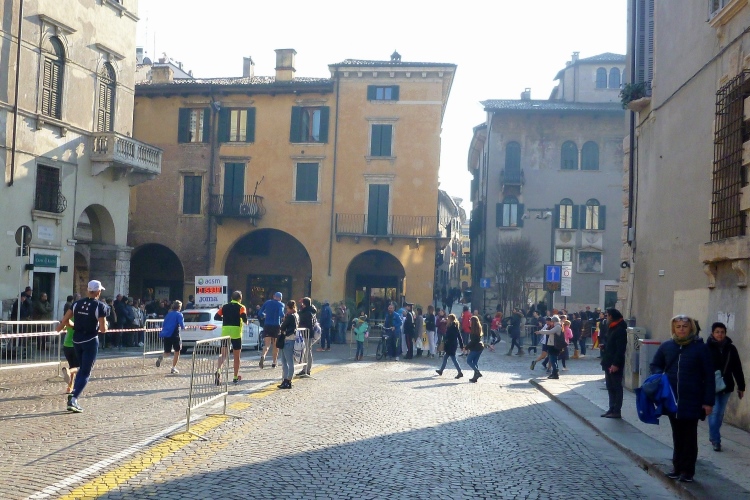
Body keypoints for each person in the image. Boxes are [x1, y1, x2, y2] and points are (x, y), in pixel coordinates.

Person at [651, 315, 714, 483]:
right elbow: (655, 364)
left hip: (692, 399)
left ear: (691, 328)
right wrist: (659, 375)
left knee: (689, 436)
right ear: (673, 328)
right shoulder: (667, 346)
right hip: (672, 398)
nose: (681, 329)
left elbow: (709, 376)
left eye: (684, 326)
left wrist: (708, 402)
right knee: (677, 435)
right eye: (678, 326)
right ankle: (677, 467)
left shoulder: (700, 348)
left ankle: (687, 470)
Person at [56, 280, 108, 413]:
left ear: (88, 290)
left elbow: (64, 321)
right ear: (98, 292)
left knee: (81, 369)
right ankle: (73, 399)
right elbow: (103, 329)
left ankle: (74, 392)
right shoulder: (100, 306)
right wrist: (105, 325)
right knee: (85, 372)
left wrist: (74, 326)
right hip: (90, 340)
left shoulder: (76, 304)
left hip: (77, 340)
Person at [707, 322, 745, 452]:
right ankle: (716, 440)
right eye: (717, 332)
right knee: (714, 412)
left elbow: (737, 368)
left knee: (720, 414)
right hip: (711, 386)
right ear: (712, 333)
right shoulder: (706, 348)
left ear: (725, 333)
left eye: (722, 332)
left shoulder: (731, 349)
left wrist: (741, 386)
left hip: (726, 386)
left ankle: (713, 435)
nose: (720, 334)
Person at [214, 291, 248, 385]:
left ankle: (218, 370)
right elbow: (244, 317)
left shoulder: (224, 307)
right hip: (236, 333)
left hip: (225, 332)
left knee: (223, 354)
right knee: (236, 356)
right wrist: (246, 322)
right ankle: (235, 377)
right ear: (240, 298)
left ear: (231, 298)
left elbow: (216, 317)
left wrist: (225, 319)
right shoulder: (241, 307)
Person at [600, 309, 627, 418]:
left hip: (614, 364)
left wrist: (616, 364)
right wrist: (604, 346)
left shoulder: (620, 329)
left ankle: (616, 410)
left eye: (607, 316)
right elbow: (611, 344)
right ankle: (611, 408)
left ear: (611, 316)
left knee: (616, 387)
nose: (606, 318)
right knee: (610, 386)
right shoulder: (612, 327)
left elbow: (620, 349)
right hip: (608, 361)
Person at [156, 300, 185, 374]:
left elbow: (164, 324)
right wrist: (185, 327)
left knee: (167, 352)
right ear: (179, 307)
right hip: (175, 335)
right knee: (177, 351)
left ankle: (162, 356)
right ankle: (173, 367)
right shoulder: (179, 314)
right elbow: (182, 325)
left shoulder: (168, 314)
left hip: (167, 334)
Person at [258, 292, 284, 369]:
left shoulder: (267, 302)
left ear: (273, 296)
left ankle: (263, 356)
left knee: (267, 345)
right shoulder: (281, 304)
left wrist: (264, 315)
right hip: (276, 326)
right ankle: (274, 362)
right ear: (280, 298)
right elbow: (281, 314)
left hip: (267, 325)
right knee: (275, 345)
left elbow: (260, 313)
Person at [278, 300, 299, 389]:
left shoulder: (290, 316)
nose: (286, 310)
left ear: (289, 308)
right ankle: (286, 380)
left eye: (287, 308)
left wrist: (284, 320)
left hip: (288, 339)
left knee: (288, 362)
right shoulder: (296, 315)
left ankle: (288, 380)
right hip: (290, 339)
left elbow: (282, 326)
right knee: (285, 362)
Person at [435, 313, 464, 379]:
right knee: (446, 357)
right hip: (452, 344)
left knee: (453, 358)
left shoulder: (452, 327)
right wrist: (461, 345)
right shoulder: (454, 326)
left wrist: (462, 346)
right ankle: (441, 370)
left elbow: (452, 336)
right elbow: (459, 337)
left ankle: (459, 372)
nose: (447, 319)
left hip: (451, 345)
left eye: (448, 318)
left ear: (450, 319)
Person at [296, 297, 318, 377]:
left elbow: (305, 322)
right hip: (307, 333)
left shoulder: (307, 312)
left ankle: (307, 369)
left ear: (304, 304)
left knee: (307, 351)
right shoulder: (311, 310)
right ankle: (305, 369)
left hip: (306, 334)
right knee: (307, 351)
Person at [465, 316, 485, 383]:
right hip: (480, 347)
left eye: (470, 321)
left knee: (469, 361)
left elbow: (473, 341)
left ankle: (477, 372)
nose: (469, 322)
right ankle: (475, 377)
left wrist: (466, 347)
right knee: (475, 362)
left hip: (476, 348)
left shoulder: (474, 331)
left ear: (473, 322)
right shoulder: (477, 328)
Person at [61, 318, 78, 395]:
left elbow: (63, 328)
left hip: (66, 346)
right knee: (79, 368)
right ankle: (75, 386)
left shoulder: (68, 318)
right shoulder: (80, 318)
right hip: (76, 345)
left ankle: (70, 387)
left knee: (72, 365)